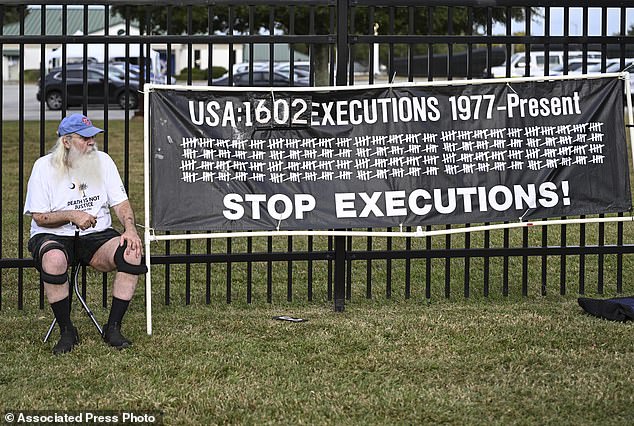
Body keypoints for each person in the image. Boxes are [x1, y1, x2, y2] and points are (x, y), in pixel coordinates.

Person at [23, 113, 146, 355]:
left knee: (131, 251)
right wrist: (72, 215)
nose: (92, 143)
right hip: (53, 235)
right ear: (66, 142)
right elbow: (39, 216)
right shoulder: (43, 167)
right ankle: (67, 330)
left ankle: (113, 328)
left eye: (93, 137)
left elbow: (120, 203)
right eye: (85, 138)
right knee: (54, 259)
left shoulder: (103, 161)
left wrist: (130, 229)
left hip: (96, 235)